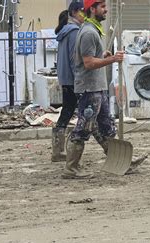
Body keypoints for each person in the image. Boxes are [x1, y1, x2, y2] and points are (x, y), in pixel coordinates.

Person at [62, 0, 124, 179]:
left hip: (97, 87)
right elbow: (88, 63)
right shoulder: (89, 32)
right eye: (102, 7)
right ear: (92, 9)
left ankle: (119, 160)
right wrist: (112, 60)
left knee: (107, 127)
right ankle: (71, 169)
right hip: (90, 89)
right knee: (83, 128)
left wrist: (103, 56)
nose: (106, 10)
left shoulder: (92, 29)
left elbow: (89, 58)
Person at [52, 2, 86, 162]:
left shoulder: (64, 32)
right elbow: (75, 60)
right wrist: (80, 80)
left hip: (65, 78)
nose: (84, 14)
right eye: (82, 11)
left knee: (67, 111)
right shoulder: (74, 32)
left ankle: (57, 151)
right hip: (73, 80)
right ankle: (65, 150)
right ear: (74, 12)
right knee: (87, 113)